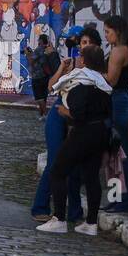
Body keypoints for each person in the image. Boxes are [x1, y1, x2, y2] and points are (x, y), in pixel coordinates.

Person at [37, 46, 113, 236]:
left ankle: (59, 219)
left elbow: (77, 113)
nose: (77, 58)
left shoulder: (80, 81)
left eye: (81, 56)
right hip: (100, 132)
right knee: (91, 177)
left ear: (85, 61)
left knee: (57, 172)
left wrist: (64, 112)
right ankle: (91, 223)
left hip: (83, 132)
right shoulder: (102, 83)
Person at [30, 29, 96, 222]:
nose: (84, 47)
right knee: (55, 162)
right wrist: (61, 68)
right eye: (82, 43)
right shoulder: (72, 64)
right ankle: (40, 206)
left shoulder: (99, 68)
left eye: (88, 43)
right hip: (59, 115)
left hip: (80, 119)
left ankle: (74, 211)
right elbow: (51, 86)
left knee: (75, 167)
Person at [102, 15, 128, 214]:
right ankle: (117, 198)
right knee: (114, 156)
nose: (106, 35)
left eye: (108, 31)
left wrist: (93, 72)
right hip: (117, 101)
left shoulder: (118, 51)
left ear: (118, 31)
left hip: (118, 102)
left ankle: (127, 200)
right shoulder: (122, 49)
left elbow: (112, 80)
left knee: (121, 155)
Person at [28, 35, 61, 117]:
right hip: (45, 76)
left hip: (37, 76)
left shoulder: (38, 49)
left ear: (41, 41)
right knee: (43, 96)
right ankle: (41, 114)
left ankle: (46, 114)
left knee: (39, 97)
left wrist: (28, 54)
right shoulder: (48, 49)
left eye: (39, 40)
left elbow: (31, 61)